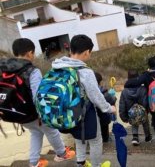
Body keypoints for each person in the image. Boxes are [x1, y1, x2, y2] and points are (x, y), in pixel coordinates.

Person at [2, 38, 75, 167]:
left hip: (16, 113)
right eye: (33, 53)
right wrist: (44, 114)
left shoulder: (5, 69)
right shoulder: (32, 71)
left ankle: (34, 162)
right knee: (52, 131)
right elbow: (38, 96)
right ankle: (62, 154)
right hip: (33, 113)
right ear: (30, 53)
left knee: (36, 133)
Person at [52, 35, 116, 167]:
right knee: (96, 141)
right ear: (87, 52)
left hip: (66, 113)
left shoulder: (57, 67)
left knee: (78, 138)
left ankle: (80, 164)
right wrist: (109, 108)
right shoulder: (85, 71)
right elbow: (95, 96)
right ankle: (96, 165)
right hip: (85, 113)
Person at [119, 70, 152, 146]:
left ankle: (135, 137)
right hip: (143, 111)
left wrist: (123, 117)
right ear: (138, 77)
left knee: (134, 120)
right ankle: (147, 137)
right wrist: (147, 110)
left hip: (131, 112)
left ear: (128, 77)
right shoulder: (143, 89)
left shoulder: (125, 91)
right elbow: (145, 101)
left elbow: (122, 105)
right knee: (145, 122)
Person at [95, 72, 117, 143]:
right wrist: (114, 97)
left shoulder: (87, 92)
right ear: (100, 82)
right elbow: (112, 100)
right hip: (104, 117)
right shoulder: (104, 93)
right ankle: (105, 139)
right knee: (104, 129)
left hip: (93, 118)